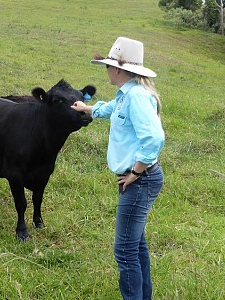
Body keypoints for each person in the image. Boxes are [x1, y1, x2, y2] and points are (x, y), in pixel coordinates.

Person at [71, 37, 165, 300]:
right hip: (141, 178)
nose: (106, 70)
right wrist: (86, 108)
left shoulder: (135, 96)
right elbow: (111, 109)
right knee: (136, 245)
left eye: (108, 65)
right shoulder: (126, 94)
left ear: (119, 69)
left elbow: (154, 139)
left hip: (141, 180)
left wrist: (135, 172)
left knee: (124, 250)